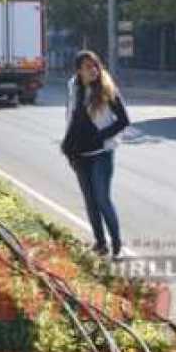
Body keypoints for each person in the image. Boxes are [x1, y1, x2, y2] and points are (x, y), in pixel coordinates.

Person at [61, 50, 130, 259]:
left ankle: (117, 243)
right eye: (87, 66)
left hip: (101, 153)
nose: (93, 70)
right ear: (79, 71)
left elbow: (124, 121)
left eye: (95, 65)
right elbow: (71, 118)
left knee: (102, 199)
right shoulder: (73, 87)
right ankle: (101, 244)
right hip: (79, 154)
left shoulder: (107, 89)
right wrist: (69, 147)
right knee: (90, 202)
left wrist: (101, 137)